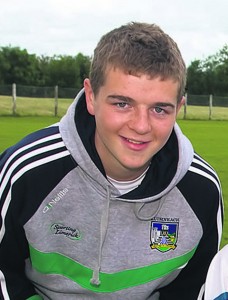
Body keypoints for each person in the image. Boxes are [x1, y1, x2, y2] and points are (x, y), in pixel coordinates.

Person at [0, 22, 223, 300]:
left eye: (159, 109)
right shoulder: (27, 171)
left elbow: (194, 289)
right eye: (122, 104)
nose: (141, 126)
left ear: (179, 108)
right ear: (91, 97)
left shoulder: (201, 190)